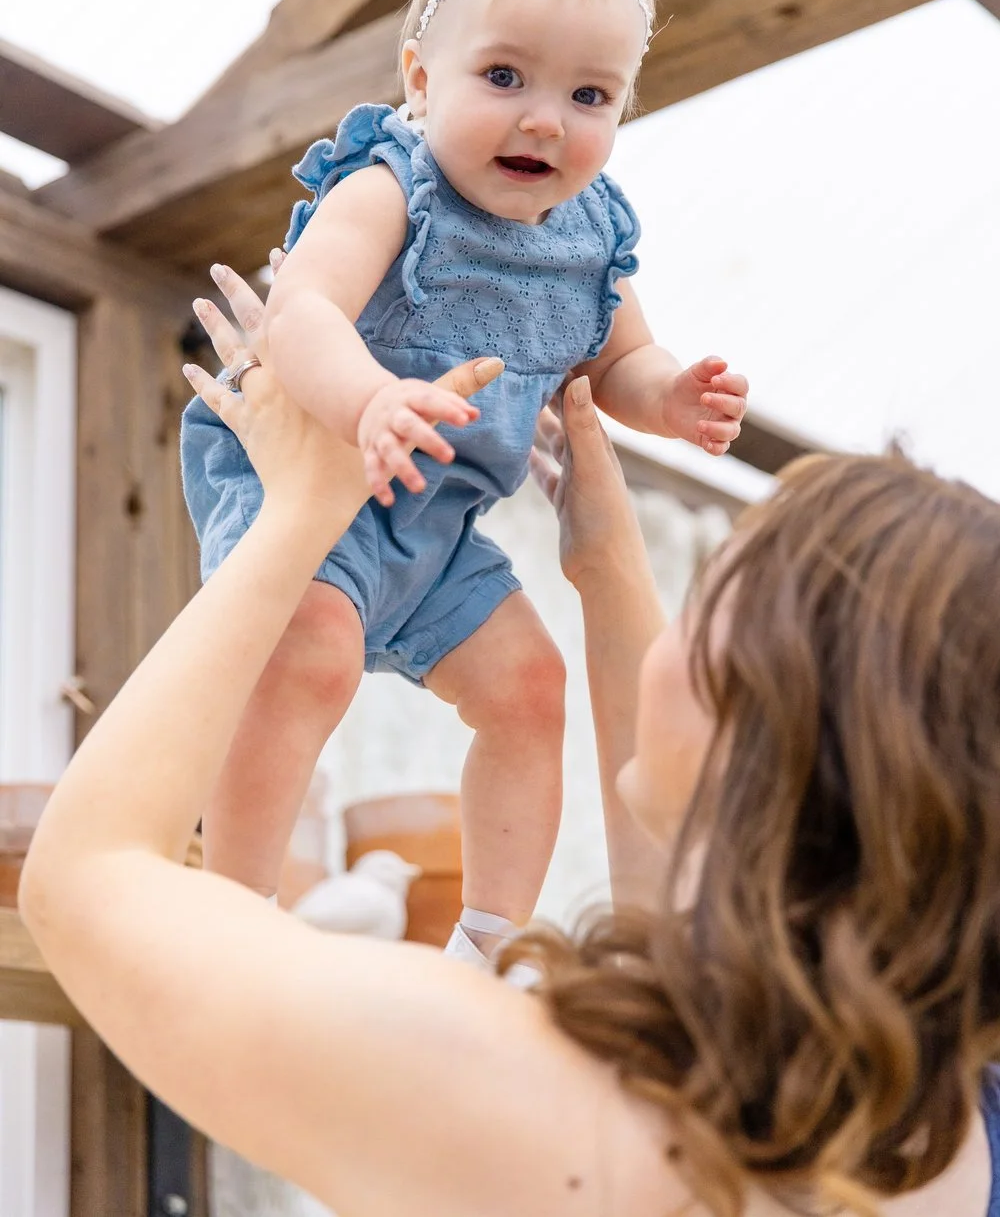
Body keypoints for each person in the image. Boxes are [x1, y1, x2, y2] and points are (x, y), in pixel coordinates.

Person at [21, 266, 1000, 1217]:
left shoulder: (527, 1099)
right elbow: (685, 886)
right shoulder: (959, 1128)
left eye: (706, 600)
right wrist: (608, 562)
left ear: (757, 723)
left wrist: (301, 513)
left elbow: (85, 876)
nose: (673, 627)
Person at [179, 0, 749, 964]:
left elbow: (619, 360)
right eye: (504, 77)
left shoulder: (591, 238)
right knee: (310, 655)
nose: (546, 118)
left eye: (590, 95)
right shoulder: (391, 189)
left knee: (532, 689)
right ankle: (238, 905)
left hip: (435, 526)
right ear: (418, 79)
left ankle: (487, 940)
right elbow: (298, 310)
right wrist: (367, 400)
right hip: (305, 479)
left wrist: (669, 397)